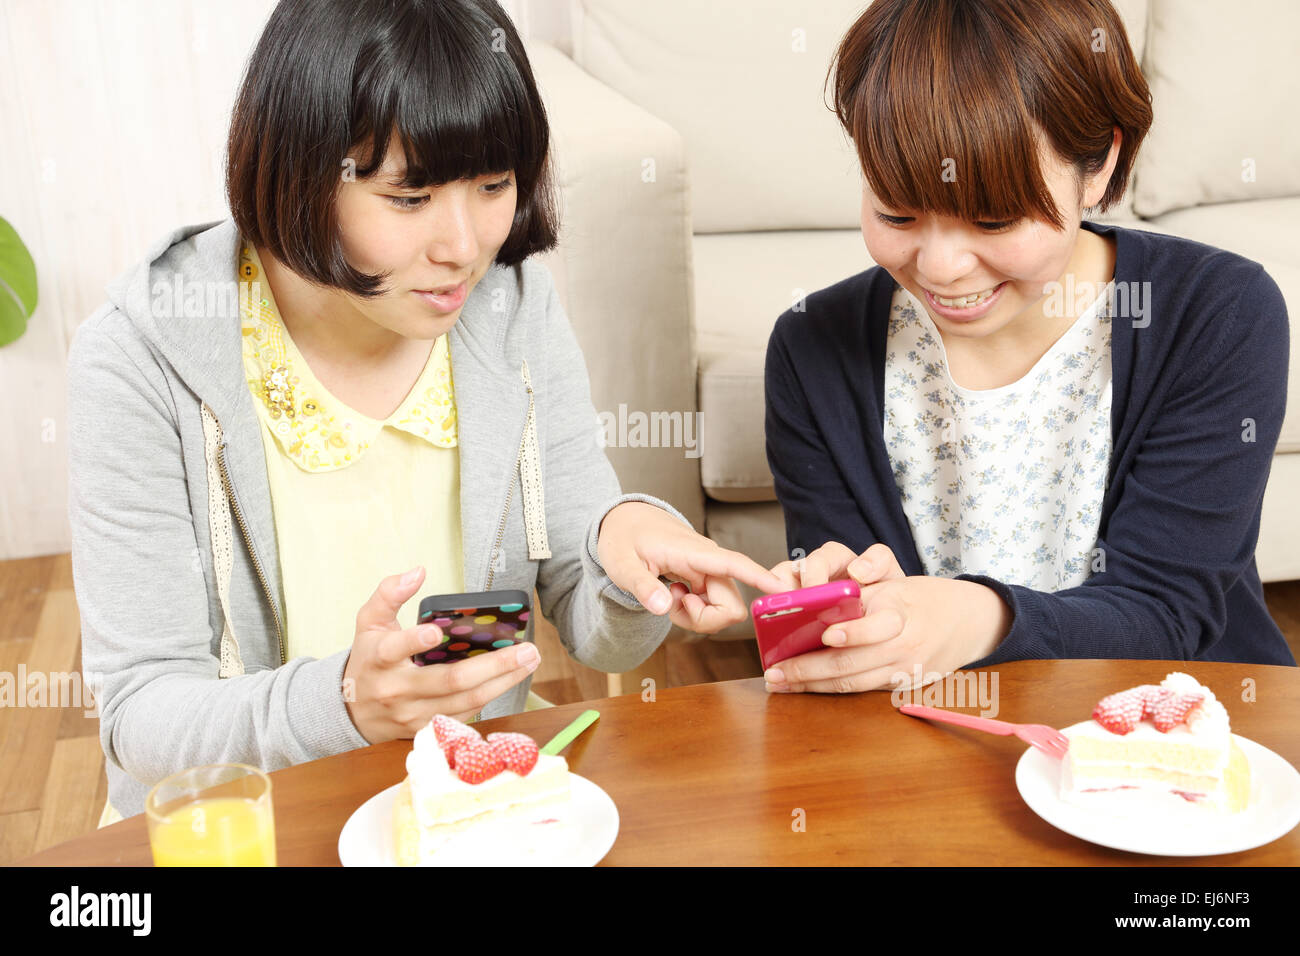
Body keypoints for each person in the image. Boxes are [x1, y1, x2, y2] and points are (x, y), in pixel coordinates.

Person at [67, 0, 781, 821]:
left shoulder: (510, 306)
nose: (464, 245)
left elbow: (591, 624)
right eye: (409, 198)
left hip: (456, 818)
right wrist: (341, 703)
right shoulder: (142, 357)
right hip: (248, 828)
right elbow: (142, 717)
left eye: (493, 186)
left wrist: (628, 560)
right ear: (301, 171)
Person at [761, 0, 1294, 695]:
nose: (943, 266)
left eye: (993, 218)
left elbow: (1166, 613)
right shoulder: (812, 348)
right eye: (896, 210)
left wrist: (976, 618)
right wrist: (839, 615)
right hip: (937, 747)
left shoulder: (1217, 313)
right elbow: (858, 630)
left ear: (1098, 165)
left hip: (1185, 736)